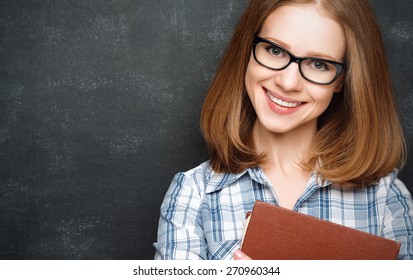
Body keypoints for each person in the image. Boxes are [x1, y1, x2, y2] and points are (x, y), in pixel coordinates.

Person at [153, 0, 413, 260]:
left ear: (343, 79)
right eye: (274, 50)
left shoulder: (386, 201)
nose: (288, 82)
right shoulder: (194, 196)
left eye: (319, 64)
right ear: (247, 50)